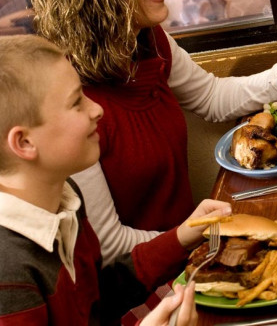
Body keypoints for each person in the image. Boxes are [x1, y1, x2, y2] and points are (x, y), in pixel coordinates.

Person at [28, 0, 277, 264]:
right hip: (140, 283)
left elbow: (210, 98)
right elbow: (109, 245)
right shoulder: (67, 103)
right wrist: (207, 240)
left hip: (190, 249)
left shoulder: (149, 39)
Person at [0, 34, 232, 324]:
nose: (97, 109)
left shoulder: (67, 196)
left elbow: (100, 295)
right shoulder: (8, 271)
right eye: (76, 103)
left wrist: (181, 237)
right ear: (23, 142)